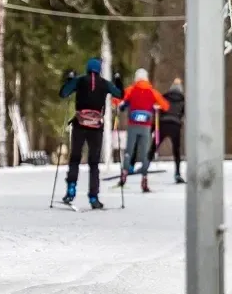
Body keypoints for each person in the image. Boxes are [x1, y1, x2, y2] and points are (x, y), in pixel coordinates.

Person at [59, 58, 124, 209]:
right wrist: (118, 80)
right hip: (96, 127)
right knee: (94, 163)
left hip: (80, 125)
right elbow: (120, 94)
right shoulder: (104, 83)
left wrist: (69, 79)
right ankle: (94, 197)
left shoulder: (79, 81)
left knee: (75, 158)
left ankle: (71, 190)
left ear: (88, 69)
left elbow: (63, 93)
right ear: (99, 69)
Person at [114, 68, 169, 192]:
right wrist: (155, 106)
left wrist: (122, 105)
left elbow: (118, 100)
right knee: (145, 153)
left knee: (129, 150)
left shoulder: (131, 90)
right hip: (146, 126)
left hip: (133, 125)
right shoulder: (152, 91)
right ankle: (144, 179)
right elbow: (165, 105)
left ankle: (124, 174)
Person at [147, 77, 185, 184]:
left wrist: (153, 127)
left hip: (163, 123)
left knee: (154, 146)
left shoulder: (165, 96)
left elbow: (158, 110)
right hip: (175, 125)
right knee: (176, 151)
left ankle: (145, 166)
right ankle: (177, 173)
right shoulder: (182, 99)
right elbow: (183, 113)